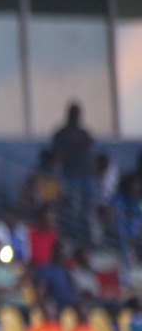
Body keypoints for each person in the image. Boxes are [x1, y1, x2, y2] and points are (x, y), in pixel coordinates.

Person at [50, 102, 95, 243]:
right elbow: (57, 154)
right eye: (74, 113)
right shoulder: (61, 133)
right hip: (71, 175)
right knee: (73, 208)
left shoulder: (84, 132)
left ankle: (86, 237)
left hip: (87, 175)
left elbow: (89, 144)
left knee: (88, 209)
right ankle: (72, 236)